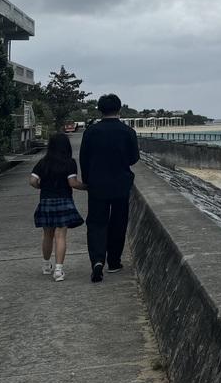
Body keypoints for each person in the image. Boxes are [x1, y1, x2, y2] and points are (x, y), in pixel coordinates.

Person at [79, 93, 139, 282]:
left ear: (100, 110)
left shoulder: (91, 132)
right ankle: (114, 261)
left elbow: (83, 159)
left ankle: (97, 260)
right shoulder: (127, 132)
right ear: (119, 109)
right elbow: (134, 158)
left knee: (96, 222)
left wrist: (87, 180)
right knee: (118, 222)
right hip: (121, 184)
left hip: (97, 184)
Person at [28, 133, 86, 282]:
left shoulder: (43, 163)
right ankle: (58, 270)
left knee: (47, 235)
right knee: (60, 236)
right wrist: (87, 187)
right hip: (63, 201)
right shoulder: (69, 162)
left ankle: (46, 265)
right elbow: (73, 183)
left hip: (46, 201)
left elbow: (32, 181)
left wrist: (41, 186)